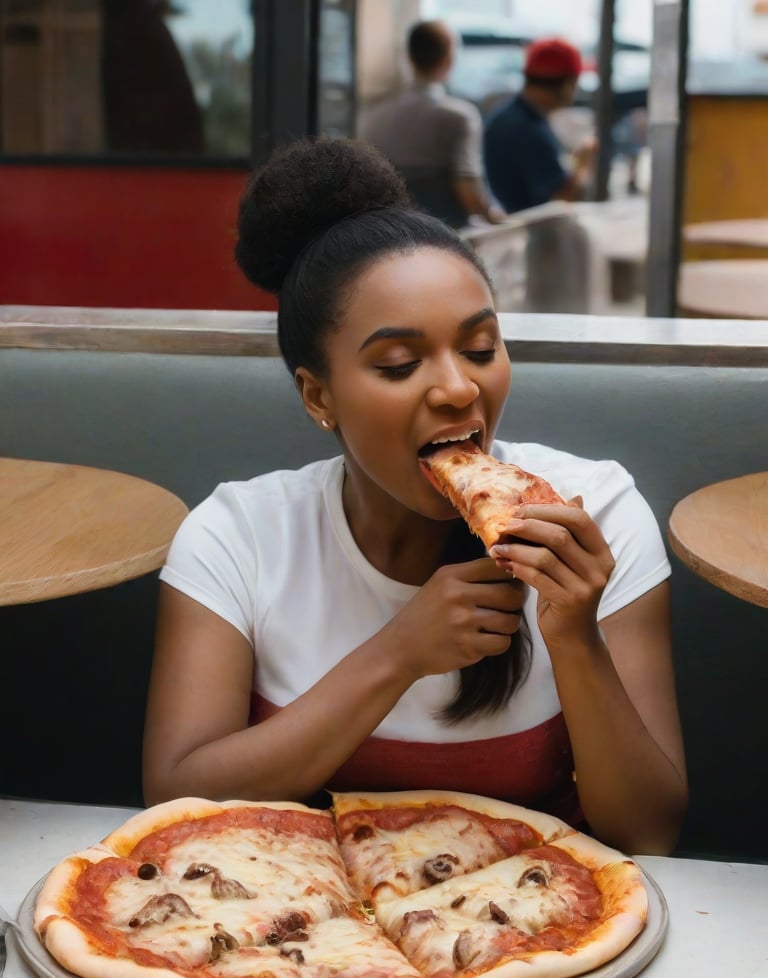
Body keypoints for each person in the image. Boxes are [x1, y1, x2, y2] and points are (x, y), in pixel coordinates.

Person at [142, 135, 688, 856]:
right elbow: (176, 805)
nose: (459, 388)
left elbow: (649, 833)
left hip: (536, 917)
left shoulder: (597, 511)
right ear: (318, 396)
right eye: (400, 364)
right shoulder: (238, 534)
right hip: (296, 925)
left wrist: (574, 634)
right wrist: (396, 655)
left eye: (481, 349)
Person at [359, 19, 504, 229]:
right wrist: (495, 218)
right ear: (449, 58)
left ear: (409, 58)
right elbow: (467, 191)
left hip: (391, 234)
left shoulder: (374, 116)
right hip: (445, 236)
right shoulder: (458, 117)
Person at [484, 38, 596, 213]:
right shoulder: (530, 130)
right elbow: (561, 200)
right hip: (527, 233)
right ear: (568, 85)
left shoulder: (506, 117)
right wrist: (583, 163)